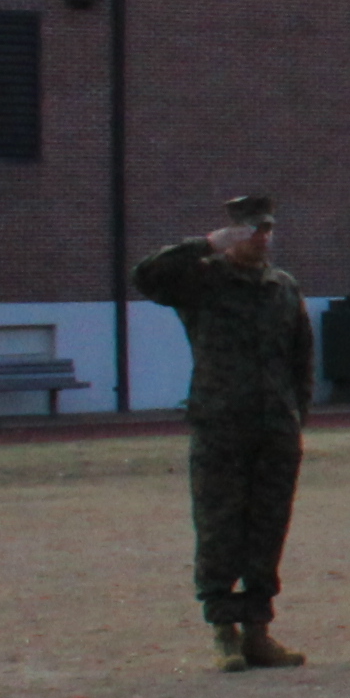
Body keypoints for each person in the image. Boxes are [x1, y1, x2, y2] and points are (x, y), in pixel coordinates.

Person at [131, 190, 312, 671]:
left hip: (274, 429)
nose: (261, 238)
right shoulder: (202, 281)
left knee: (267, 528)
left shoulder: (283, 288)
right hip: (221, 425)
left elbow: (301, 360)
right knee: (219, 527)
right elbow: (146, 277)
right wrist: (206, 244)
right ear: (232, 234)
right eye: (251, 230)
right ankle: (224, 631)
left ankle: (258, 630)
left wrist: (296, 417)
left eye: (267, 229)